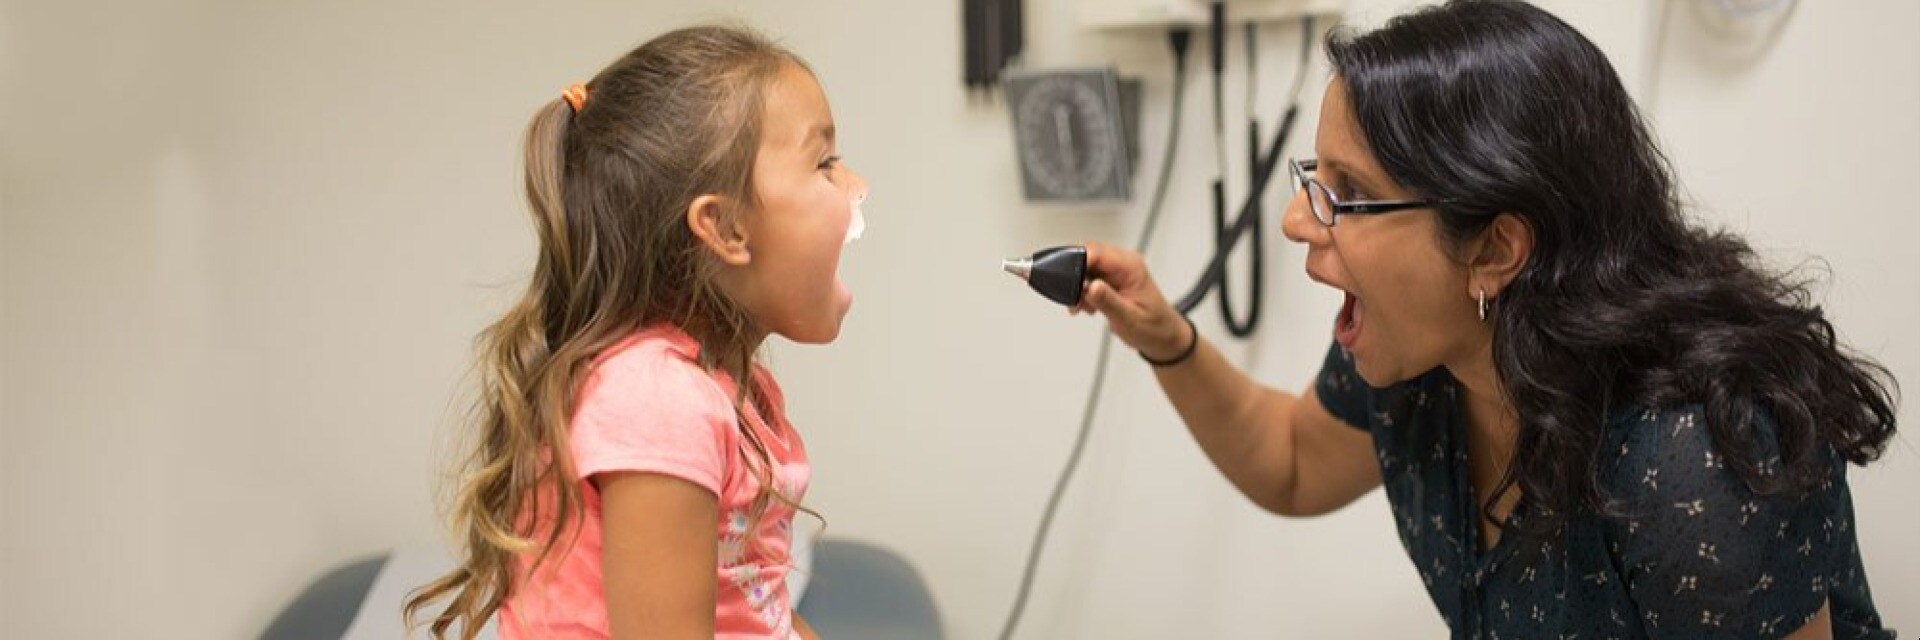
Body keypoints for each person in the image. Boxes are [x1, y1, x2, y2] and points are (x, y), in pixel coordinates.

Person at [1070, 1, 1897, 637]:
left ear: (1496, 250)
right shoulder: (1416, 362)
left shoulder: (1691, 453)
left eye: (1347, 194)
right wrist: (1164, 337)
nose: (1295, 219)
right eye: (1313, 177)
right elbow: (1290, 462)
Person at [404, 25, 869, 639]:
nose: (856, 186)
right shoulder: (657, 401)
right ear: (725, 227)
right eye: (825, 163)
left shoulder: (724, 390)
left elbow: (758, 612)